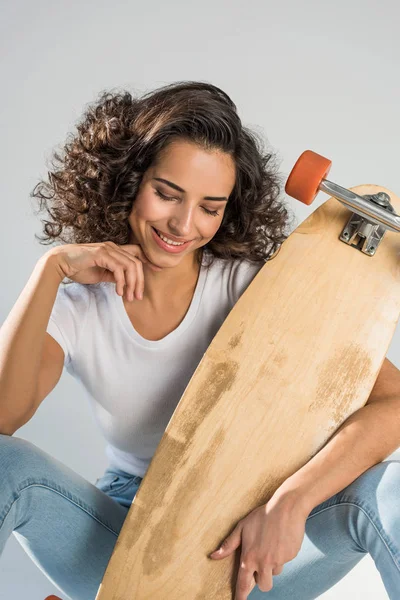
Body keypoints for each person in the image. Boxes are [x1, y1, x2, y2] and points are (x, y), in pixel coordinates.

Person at [0, 81, 400, 600]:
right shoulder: (77, 306)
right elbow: (3, 420)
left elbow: (393, 403)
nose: (183, 224)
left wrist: (290, 502)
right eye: (166, 194)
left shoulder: (247, 286)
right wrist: (50, 270)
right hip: (125, 536)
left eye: (210, 207)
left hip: (250, 543)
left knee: (390, 489)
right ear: (128, 180)